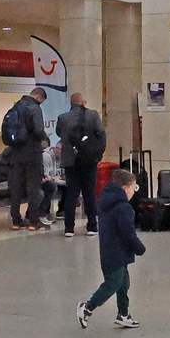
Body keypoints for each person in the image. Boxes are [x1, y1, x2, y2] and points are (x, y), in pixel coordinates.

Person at [75, 169, 145, 329]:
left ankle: (123, 314)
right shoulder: (122, 207)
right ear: (124, 188)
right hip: (117, 253)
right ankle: (87, 307)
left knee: (123, 283)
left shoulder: (107, 202)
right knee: (113, 283)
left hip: (110, 250)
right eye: (133, 188)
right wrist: (139, 248)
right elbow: (127, 233)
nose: (134, 192)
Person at [56, 92, 107, 237]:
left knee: (71, 193)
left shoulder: (63, 118)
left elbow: (60, 134)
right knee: (89, 193)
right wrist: (98, 154)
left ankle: (69, 228)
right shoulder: (93, 115)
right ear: (83, 102)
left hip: (70, 161)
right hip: (89, 160)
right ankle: (91, 226)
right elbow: (102, 134)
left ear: (71, 103)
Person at [2, 87, 51, 230]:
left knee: (16, 188)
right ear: (39, 98)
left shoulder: (16, 105)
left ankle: (16, 221)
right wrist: (45, 137)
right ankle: (33, 221)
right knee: (33, 187)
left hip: (16, 153)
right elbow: (38, 129)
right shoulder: (35, 108)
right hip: (32, 153)